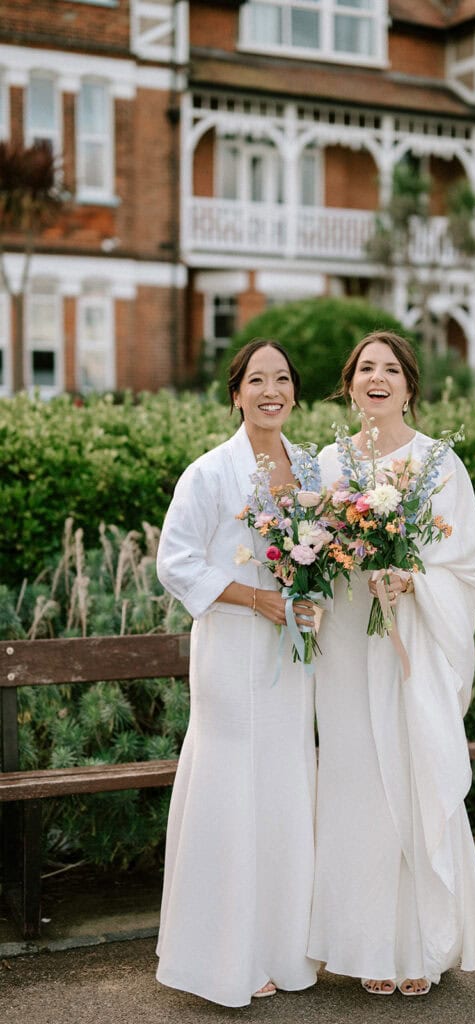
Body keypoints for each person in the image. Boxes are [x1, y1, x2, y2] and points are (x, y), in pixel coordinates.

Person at [308, 331, 475, 995]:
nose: (378, 378)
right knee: (358, 785)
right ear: (350, 383)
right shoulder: (328, 466)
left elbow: (473, 560)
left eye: (391, 369)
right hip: (347, 650)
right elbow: (310, 550)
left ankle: (420, 946)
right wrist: (328, 558)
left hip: (412, 645)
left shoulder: (438, 464)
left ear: (410, 387)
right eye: (366, 368)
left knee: (414, 780)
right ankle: (367, 949)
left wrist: (415, 579)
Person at [155, 339, 319, 1007]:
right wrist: (256, 599)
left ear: (294, 394)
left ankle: (282, 947)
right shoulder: (209, 473)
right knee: (230, 791)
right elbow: (177, 562)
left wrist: (311, 597)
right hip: (230, 650)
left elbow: (322, 557)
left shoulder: (309, 469)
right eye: (257, 379)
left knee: (283, 792)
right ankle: (223, 958)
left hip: (291, 657)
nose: (270, 389)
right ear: (236, 393)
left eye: (282, 378)